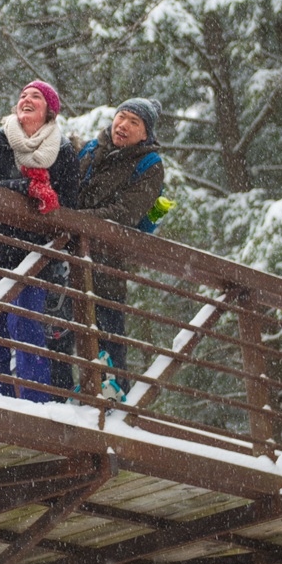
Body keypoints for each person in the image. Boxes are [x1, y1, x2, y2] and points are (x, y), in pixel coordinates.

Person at [0, 80, 80, 402]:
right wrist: (25, 188)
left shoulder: (63, 152)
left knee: (28, 336)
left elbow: (68, 206)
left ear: (50, 111)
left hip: (32, 259)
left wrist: (47, 200)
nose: (26, 99)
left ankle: (34, 410)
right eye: (23, 96)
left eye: (36, 97)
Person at [70, 97, 165, 399]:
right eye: (121, 117)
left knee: (108, 335)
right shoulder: (90, 148)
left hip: (107, 261)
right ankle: (67, 398)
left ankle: (113, 403)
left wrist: (77, 220)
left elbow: (126, 213)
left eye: (134, 122)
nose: (123, 125)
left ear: (145, 134)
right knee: (65, 331)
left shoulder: (149, 165)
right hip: (67, 252)